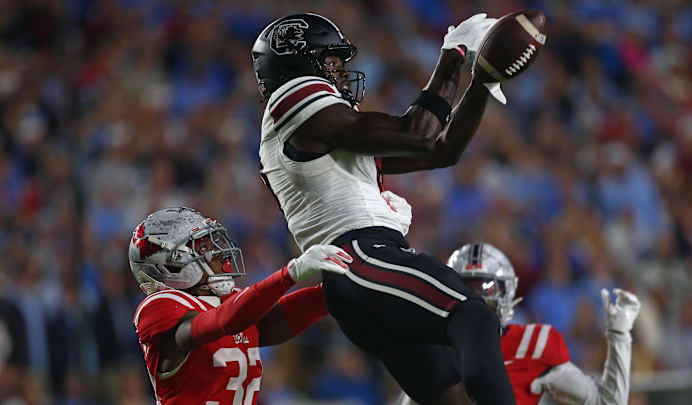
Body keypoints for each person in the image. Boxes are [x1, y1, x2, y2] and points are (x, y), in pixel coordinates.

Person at [252, 12, 516, 405]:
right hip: (361, 256)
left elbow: (442, 151)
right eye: (332, 62)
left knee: (453, 397)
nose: (342, 73)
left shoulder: (323, 137)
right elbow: (418, 133)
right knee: (474, 316)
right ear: (299, 64)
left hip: (354, 276)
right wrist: (454, 54)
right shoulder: (292, 100)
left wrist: (481, 81)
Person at [128, 206, 352, 404]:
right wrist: (290, 274)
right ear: (171, 265)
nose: (220, 255)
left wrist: (343, 286)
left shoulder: (230, 304)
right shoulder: (159, 306)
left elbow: (277, 320)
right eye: (204, 248)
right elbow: (220, 322)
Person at [398, 243, 642, 405]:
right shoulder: (435, 348)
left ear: (508, 291)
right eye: (464, 288)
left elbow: (607, 403)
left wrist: (619, 334)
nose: (475, 299)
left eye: (486, 287)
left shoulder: (532, 345)